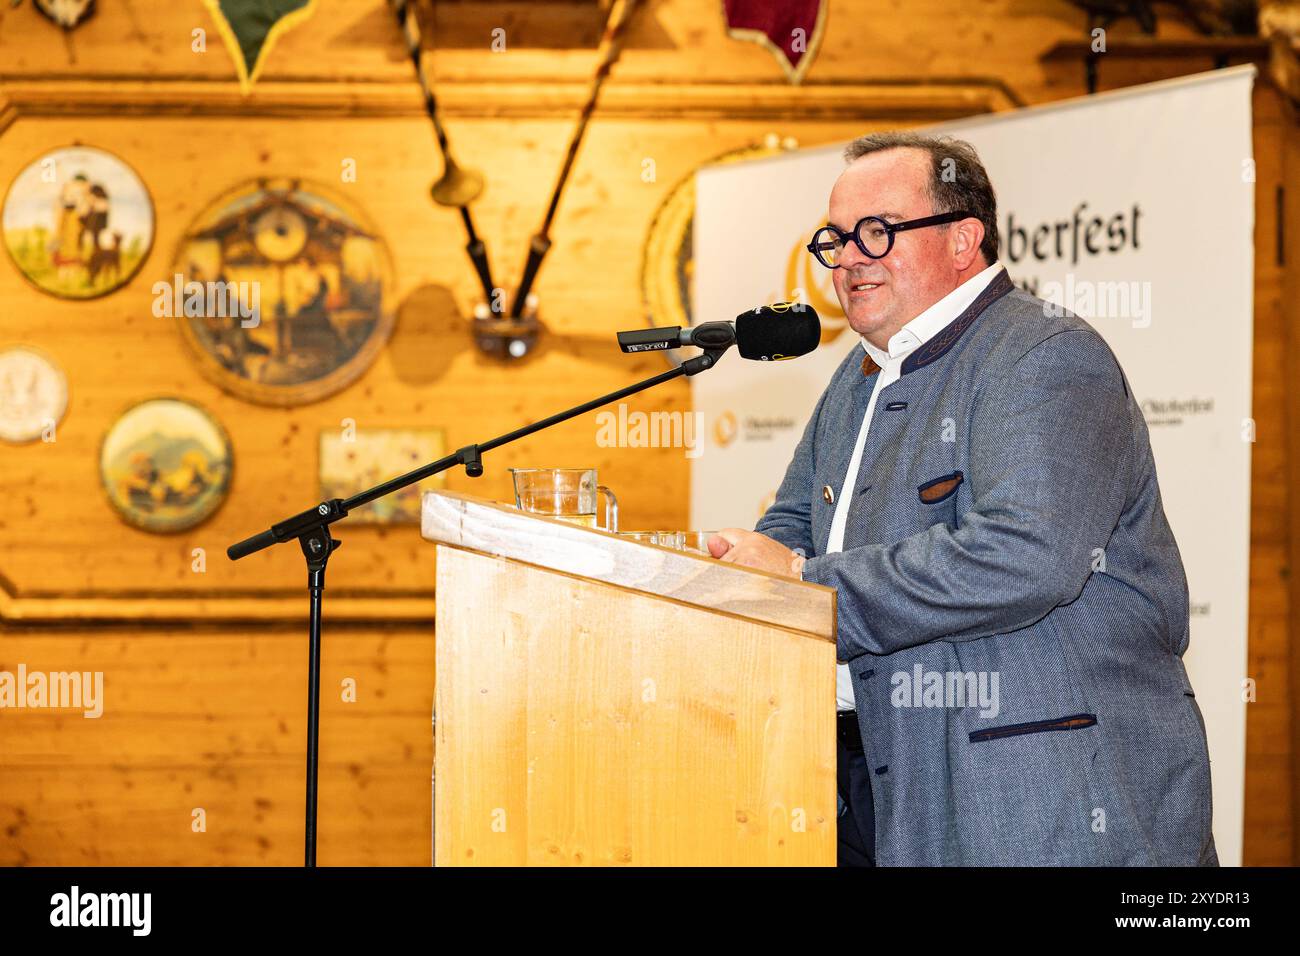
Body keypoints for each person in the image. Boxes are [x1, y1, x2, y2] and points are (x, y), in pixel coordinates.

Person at [708, 132, 1216, 867]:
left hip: (1040, 801)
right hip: (872, 785)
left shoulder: (1045, 354)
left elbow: (1024, 557)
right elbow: (793, 525)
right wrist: (731, 563)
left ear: (963, 239)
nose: (847, 257)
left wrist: (801, 586)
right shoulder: (856, 377)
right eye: (835, 238)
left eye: (875, 232)